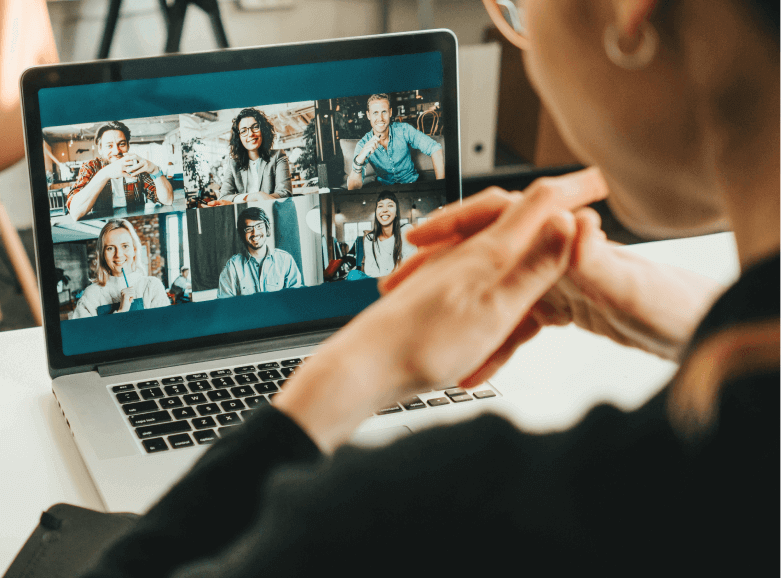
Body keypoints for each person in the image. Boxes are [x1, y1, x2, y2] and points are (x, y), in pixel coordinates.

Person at [85, 0, 778, 574]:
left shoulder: (420, 513)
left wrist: (357, 364)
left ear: (628, 12)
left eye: (516, 6)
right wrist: (703, 321)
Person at [66, 121, 174, 221]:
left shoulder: (136, 165)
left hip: (135, 224)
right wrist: (105, 174)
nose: (116, 151)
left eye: (121, 144)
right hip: (102, 227)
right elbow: (75, 213)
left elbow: (167, 200)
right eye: (109, 146)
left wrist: (155, 170)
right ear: (100, 149)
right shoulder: (91, 167)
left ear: (128, 146)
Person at [71, 219, 170, 318]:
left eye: (125, 246)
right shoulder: (90, 295)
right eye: (110, 248)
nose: (118, 255)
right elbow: (83, 333)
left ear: (134, 250)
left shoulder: (152, 287)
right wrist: (122, 311)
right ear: (102, 255)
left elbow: (165, 329)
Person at [347, 93, 445, 190]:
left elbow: (435, 148)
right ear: (368, 115)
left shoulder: (404, 130)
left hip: (412, 184)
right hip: (385, 190)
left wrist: (440, 187)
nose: (380, 118)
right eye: (375, 113)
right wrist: (358, 161)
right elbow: (352, 188)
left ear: (390, 112)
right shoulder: (363, 144)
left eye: (384, 112)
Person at [217, 206, 302, 297]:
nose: (255, 233)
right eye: (249, 229)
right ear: (242, 233)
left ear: (267, 228)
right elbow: (225, 305)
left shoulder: (285, 260)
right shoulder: (232, 267)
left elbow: (295, 297)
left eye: (259, 226)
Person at [213, 108, 292, 205]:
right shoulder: (233, 163)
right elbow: (224, 197)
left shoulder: (278, 156)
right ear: (239, 138)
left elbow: (285, 193)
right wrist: (255, 196)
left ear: (263, 130)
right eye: (243, 131)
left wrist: (253, 198)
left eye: (255, 127)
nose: (250, 134)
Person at [362, 191, 416, 277]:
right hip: (379, 284)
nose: (384, 210)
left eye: (390, 205)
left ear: (396, 213)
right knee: (353, 275)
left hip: (402, 283)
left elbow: (411, 266)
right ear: (376, 212)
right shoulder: (370, 238)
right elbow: (371, 272)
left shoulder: (406, 230)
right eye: (380, 206)